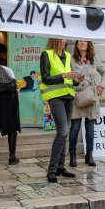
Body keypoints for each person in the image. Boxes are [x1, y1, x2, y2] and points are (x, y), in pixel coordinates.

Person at [40, 38, 82, 183]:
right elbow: (45, 78)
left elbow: (70, 78)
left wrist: (78, 79)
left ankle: (60, 167)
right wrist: (63, 76)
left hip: (69, 96)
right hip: (55, 97)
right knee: (63, 131)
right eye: (62, 38)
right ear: (56, 39)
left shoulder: (68, 56)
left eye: (65, 38)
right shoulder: (46, 54)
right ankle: (51, 170)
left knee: (65, 131)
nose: (65, 40)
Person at [70, 40, 105, 168]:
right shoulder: (71, 59)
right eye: (79, 41)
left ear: (89, 44)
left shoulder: (94, 59)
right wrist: (75, 79)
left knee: (90, 128)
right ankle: (72, 155)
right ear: (76, 44)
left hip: (91, 97)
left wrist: (101, 85)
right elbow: (68, 77)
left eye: (84, 41)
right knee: (75, 128)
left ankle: (89, 155)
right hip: (78, 97)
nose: (82, 43)